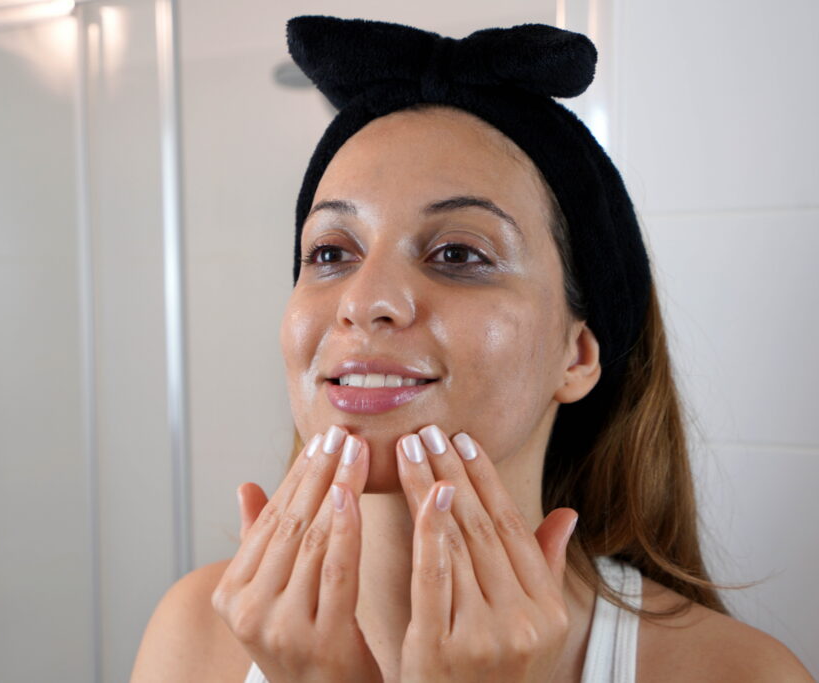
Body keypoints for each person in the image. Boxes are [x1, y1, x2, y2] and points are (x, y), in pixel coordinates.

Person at [131, 17, 812, 682]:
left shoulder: (737, 671)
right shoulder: (193, 635)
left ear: (576, 354)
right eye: (332, 252)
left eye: (458, 252)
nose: (365, 300)